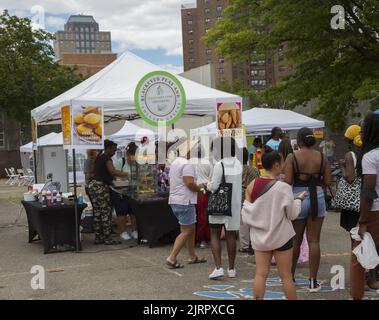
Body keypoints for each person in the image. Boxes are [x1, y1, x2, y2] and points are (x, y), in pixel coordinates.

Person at [242, 150, 306, 300]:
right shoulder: (283, 188)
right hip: (281, 238)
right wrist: (298, 200)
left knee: (260, 274)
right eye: (282, 162)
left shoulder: (252, 185)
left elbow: (247, 212)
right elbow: (292, 214)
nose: (284, 165)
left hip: (260, 238)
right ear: (276, 165)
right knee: (286, 276)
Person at [284, 127, 332, 292]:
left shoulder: (292, 156)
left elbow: (288, 180)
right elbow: (327, 181)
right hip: (317, 198)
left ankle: (290, 277)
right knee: (314, 241)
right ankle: (312, 282)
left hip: (299, 197)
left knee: (295, 240)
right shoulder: (322, 157)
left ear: (299, 141)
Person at [350, 113, 379, 299]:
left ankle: (357, 295)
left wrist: (362, 220)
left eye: (363, 127)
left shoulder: (370, 156)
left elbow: (368, 191)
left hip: (374, 211)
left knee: (358, 256)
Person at [166, 140, 207, 269]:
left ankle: (192, 256)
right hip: (185, 200)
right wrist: (200, 189)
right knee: (187, 230)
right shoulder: (187, 164)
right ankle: (172, 257)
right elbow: (189, 183)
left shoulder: (175, 162)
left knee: (190, 229)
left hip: (176, 200)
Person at [207, 137, 242, 279]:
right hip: (233, 205)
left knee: (215, 234)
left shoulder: (219, 165)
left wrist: (208, 184)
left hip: (219, 204)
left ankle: (218, 267)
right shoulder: (238, 163)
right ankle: (232, 269)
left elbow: (214, 186)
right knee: (231, 236)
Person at [88, 140, 129, 245]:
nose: (115, 152)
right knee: (106, 212)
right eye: (114, 150)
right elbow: (112, 171)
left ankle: (98, 237)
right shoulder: (106, 158)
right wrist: (127, 174)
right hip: (101, 187)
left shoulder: (99, 157)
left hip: (93, 186)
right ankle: (107, 238)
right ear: (108, 148)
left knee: (97, 213)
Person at [111, 142, 138, 241]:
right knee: (121, 213)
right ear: (127, 155)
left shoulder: (138, 162)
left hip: (132, 191)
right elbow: (114, 176)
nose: (133, 159)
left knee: (133, 212)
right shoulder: (119, 162)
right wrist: (125, 176)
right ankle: (122, 231)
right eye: (131, 157)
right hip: (120, 192)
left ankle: (135, 230)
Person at [340, 125, 363, 233]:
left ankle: (354, 250)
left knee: (354, 234)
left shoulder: (351, 155)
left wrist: (342, 167)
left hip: (353, 201)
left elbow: (350, 179)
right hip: (367, 198)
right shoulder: (369, 152)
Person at [239, 147, 260, 253]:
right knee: (253, 219)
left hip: (240, 196)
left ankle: (245, 245)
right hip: (253, 194)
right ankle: (254, 241)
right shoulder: (254, 169)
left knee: (242, 221)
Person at [195, 144, 213, 249]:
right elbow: (211, 179)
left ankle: (199, 239)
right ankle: (203, 239)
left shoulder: (191, 163)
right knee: (204, 215)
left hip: (195, 191)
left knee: (198, 215)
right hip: (205, 190)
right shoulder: (208, 163)